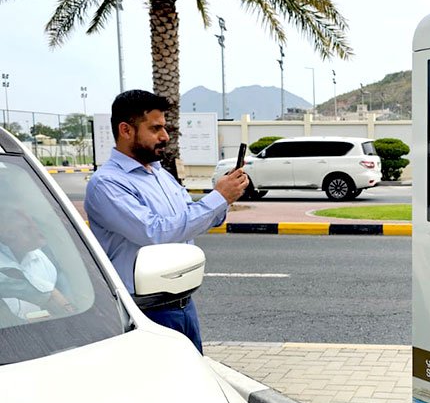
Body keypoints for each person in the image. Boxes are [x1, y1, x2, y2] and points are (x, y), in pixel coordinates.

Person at [85, 89, 248, 352]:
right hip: (145, 310)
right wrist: (218, 197)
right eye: (156, 128)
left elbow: (189, 217)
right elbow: (154, 232)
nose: (165, 136)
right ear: (126, 130)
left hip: (183, 304)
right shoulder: (107, 183)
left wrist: (225, 197)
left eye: (165, 127)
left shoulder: (161, 174)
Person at [0, 209, 74, 320]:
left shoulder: (43, 259)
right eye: (27, 228)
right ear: (9, 234)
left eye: (35, 223)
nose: (37, 231)